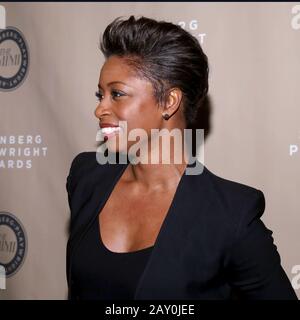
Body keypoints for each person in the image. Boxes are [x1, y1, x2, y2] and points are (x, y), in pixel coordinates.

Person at [66, 15, 297, 300]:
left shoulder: (231, 216)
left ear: (169, 102)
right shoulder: (86, 177)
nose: (99, 110)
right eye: (100, 95)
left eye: (117, 94)